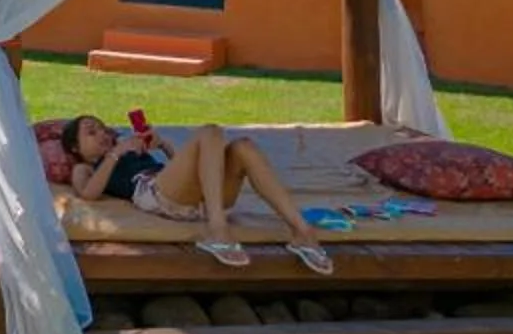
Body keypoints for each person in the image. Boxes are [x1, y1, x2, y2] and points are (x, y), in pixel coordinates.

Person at [59, 115, 334, 276]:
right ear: (75, 147)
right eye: (90, 133)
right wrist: (115, 153)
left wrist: (164, 146)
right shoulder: (85, 167)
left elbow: (205, 164)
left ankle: (302, 231)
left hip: (197, 197)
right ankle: (217, 230)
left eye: (102, 129)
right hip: (155, 194)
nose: (101, 134)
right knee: (209, 131)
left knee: (243, 147)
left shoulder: (130, 151)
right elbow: (89, 193)